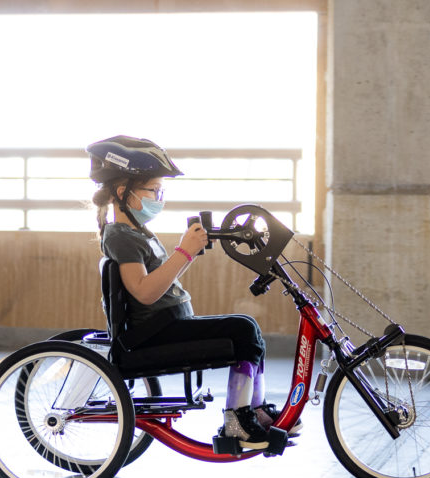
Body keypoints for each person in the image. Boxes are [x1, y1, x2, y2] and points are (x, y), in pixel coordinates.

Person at [87, 135, 300, 449]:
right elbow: (144, 292)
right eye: (154, 190)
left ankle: (253, 410)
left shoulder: (135, 232)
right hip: (155, 332)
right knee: (244, 329)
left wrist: (188, 252)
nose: (159, 198)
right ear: (123, 192)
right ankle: (238, 419)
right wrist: (184, 253)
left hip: (166, 325)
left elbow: (160, 279)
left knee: (247, 330)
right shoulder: (121, 236)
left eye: (162, 191)